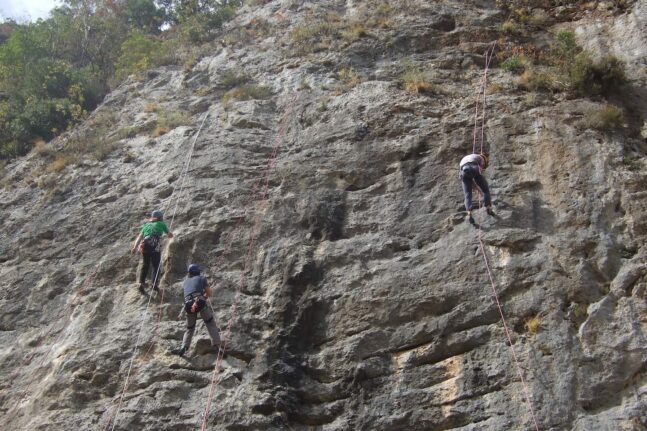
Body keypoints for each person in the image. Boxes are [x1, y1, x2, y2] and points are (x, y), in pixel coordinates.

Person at [171, 264, 221, 357]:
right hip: (199, 302)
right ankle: (218, 346)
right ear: (198, 271)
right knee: (210, 323)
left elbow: (188, 294)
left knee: (190, 328)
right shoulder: (202, 278)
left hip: (188, 305)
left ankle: (184, 347)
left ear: (189, 273)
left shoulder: (185, 282)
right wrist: (204, 296)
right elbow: (209, 293)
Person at [131, 210, 173, 293]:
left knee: (145, 264)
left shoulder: (146, 225)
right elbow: (169, 235)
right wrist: (170, 235)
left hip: (145, 243)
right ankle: (154, 284)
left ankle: (141, 283)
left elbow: (140, 237)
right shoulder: (161, 224)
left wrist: (135, 247)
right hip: (154, 243)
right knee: (156, 265)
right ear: (159, 218)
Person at [459, 153, 494, 223]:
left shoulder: (466, 158)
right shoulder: (480, 157)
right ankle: (488, 208)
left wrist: (477, 189)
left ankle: (469, 212)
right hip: (474, 168)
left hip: (463, 172)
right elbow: (480, 168)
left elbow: (471, 181)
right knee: (485, 190)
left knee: (467, 194)